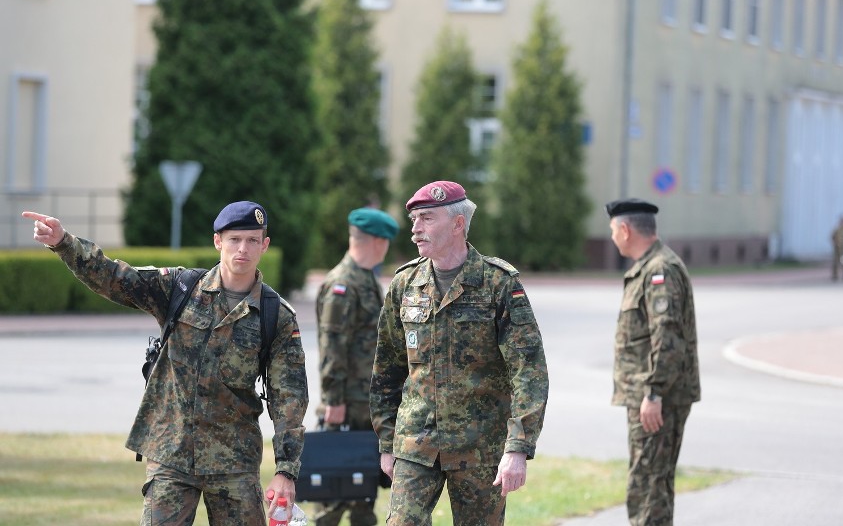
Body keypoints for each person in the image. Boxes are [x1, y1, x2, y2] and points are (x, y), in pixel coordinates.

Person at [21, 201, 308, 526]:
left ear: (264, 245)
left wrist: (286, 470)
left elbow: (290, 399)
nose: (242, 249)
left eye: (252, 240)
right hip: (171, 452)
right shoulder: (180, 287)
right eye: (234, 239)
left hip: (234, 461)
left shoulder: (277, 316)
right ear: (218, 241)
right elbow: (114, 277)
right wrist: (63, 242)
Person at [370, 180, 549, 526]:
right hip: (415, 442)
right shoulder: (405, 284)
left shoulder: (499, 284)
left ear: (457, 224)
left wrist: (518, 446)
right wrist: (387, 441)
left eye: (426, 218)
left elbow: (529, 370)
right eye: (414, 220)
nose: (415, 229)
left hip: (480, 446)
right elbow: (387, 368)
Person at [605, 198, 701, 526]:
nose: (613, 237)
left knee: (649, 488)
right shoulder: (650, 267)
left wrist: (654, 392)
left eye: (613, 231)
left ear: (625, 229)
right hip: (649, 396)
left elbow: (668, 336)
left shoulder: (659, 270)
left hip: (657, 399)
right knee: (649, 484)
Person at [314, 207, 399, 526]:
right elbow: (332, 346)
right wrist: (334, 400)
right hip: (346, 405)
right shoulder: (343, 284)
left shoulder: (365, 279)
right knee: (334, 495)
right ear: (378, 242)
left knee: (364, 493)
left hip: (367, 404)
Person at [830, 215, 843, 281]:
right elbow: (832, 237)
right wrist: (835, 243)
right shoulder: (836, 230)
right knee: (835, 263)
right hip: (837, 249)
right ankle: (835, 275)